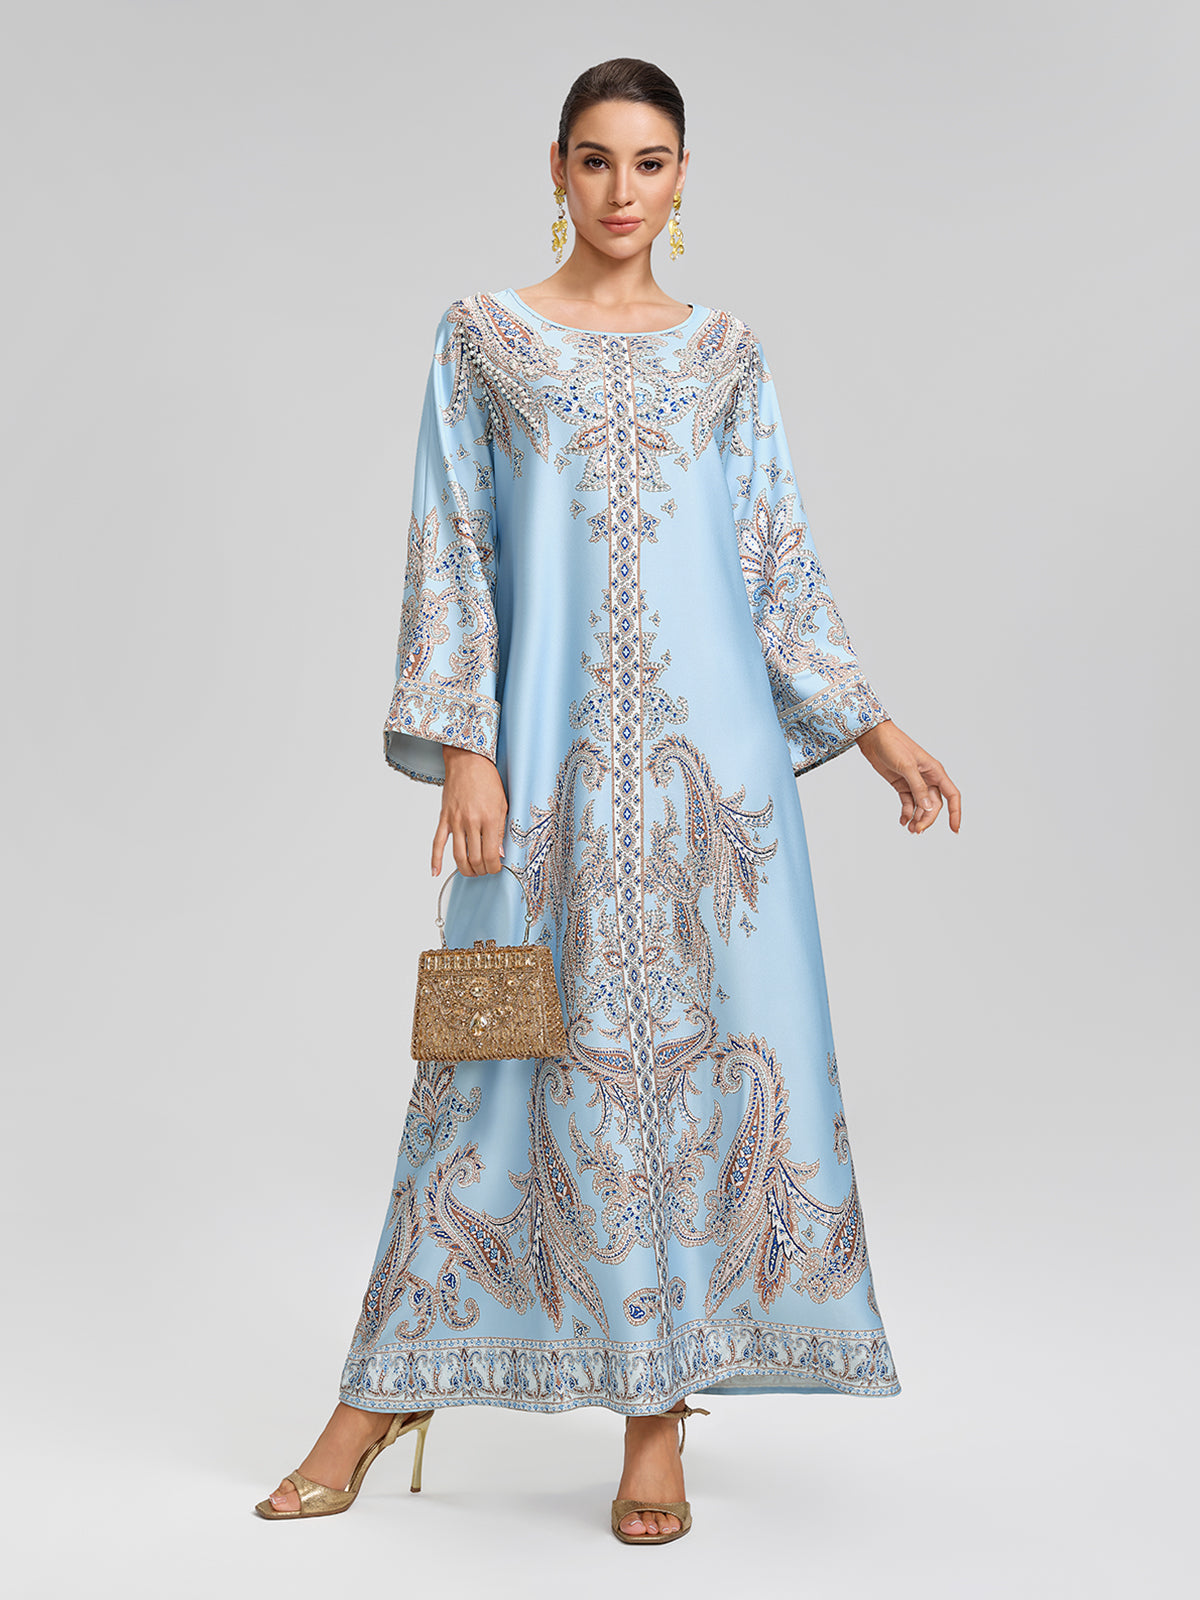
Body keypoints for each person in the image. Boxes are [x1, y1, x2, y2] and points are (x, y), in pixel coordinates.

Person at [256, 55, 960, 1546]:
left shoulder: (727, 355)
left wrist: (877, 730)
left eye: (649, 163)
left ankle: (657, 1419)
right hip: (546, 771)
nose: (622, 190)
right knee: (487, 1055)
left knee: (704, 1071)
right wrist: (465, 744)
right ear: (557, 169)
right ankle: (382, 1393)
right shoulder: (485, 339)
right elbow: (452, 541)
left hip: (712, 796)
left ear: (683, 177)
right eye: (595, 160)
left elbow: (775, 557)